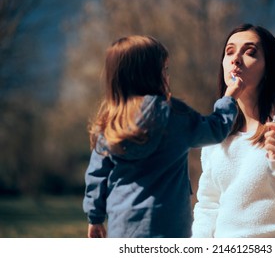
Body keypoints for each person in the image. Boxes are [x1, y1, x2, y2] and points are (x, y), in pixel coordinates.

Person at [82, 35, 244, 238]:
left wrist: (95, 218)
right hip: (170, 227)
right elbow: (216, 129)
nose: (168, 76)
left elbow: (97, 176)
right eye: (165, 70)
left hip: (123, 228)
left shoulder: (109, 123)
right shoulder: (174, 114)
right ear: (151, 75)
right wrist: (229, 98)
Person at [192, 24, 275, 238]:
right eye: (229, 52)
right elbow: (208, 206)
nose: (236, 59)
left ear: (268, 67)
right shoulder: (216, 132)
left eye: (249, 52)